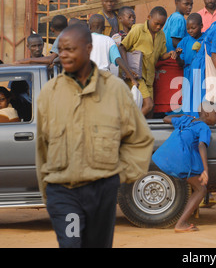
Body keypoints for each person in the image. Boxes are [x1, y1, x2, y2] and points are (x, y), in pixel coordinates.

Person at [36, 24, 154, 248]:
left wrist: (117, 178)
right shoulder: (49, 93)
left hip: (102, 192)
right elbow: (42, 149)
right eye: (61, 49)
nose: (63, 55)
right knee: (72, 244)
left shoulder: (115, 90)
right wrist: (48, 194)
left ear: (88, 49)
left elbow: (140, 138)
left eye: (70, 49)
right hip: (63, 192)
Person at [152, 101, 216, 232]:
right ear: (206, 113)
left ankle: (182, 221)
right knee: (201, 190)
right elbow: (201, 145)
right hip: (179, 160)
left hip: (163, 156)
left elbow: (166, 118)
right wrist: (205, 169)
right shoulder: (204, 127)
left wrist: (185, 115)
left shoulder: (186, 121)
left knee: (196, 186)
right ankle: (181, 223)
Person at [119, 6, 175, 118]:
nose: (159, 27)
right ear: (149, 17)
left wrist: (170, 54)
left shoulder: (161, 35)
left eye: (162, 25)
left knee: (150, 111)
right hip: (136, 76)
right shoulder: (138, 29)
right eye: (156, 23)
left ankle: (143, 133)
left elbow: (160, 56)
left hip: (149, 78)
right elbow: (122, 47)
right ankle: (128, 126)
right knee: (148, 105)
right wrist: (128, 71)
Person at [173, 13, 205, 114]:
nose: (190, 31)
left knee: (202, 98)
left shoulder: (206, 38)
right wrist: (177, 56)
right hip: (188, 75)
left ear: (201, 26)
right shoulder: (185, 41)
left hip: (203, 75)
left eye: (193, 28)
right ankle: (190, 120)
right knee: (189, 100)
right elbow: (181, 63)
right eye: (188, 28)